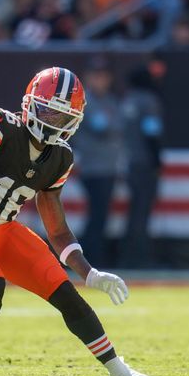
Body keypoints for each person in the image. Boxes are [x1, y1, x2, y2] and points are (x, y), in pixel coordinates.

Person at [0, 67, 157, 376]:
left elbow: (58, 230)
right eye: (48, 110)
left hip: (4, 232)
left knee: (67, 295)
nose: (53, 121)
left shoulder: (60, 157)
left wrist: (89, 273)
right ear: (30, 104)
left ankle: (119, 371)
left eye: (62, 116)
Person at [71, 56, 125, 267]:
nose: (100, 80)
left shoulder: (111, 101)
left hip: (109, 167)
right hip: (93, 168)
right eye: (96, 76)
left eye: (104, 76)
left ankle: (93, 257)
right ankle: (87, 258)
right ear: (89, 78)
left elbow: (118, 127)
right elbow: (103, 128)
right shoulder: (87, 102)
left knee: (101, 216)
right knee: (96, 215)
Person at [119, 61, 165, 269]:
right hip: (144, 163)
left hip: (129, 161)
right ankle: (140, 258)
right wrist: (157, 160)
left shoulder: (127, 101)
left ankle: (127, 256)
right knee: (142, 211)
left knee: (134, 211)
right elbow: (152, 133)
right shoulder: (148, 101)